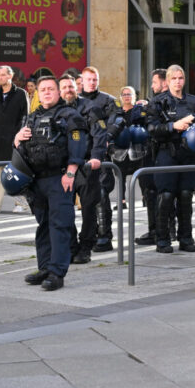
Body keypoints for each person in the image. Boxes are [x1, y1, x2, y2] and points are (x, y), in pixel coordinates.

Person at [14, 76, 88, 291]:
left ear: (58, 92)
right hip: (37, 180)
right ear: (37, 93)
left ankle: (57, 273)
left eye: (50, 89)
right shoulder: (31, 118)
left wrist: (71, 172)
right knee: (43, 226)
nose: (46, 92)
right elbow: (20, 148)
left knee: (60, 226)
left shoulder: (70, 116)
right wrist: (17, 138)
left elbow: (78, 146)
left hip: (60, 178)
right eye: (42, 89)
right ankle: (44, 267)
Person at [146, 64, 195, 253]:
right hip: (167, 153)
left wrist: (193, 119)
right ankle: (163, 239)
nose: (177, 82)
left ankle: (186, 238)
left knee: (185, 195)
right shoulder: (158, 102)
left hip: (189, 155)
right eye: (173, 78)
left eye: (180, 78)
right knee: (166, 196)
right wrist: (173, 126)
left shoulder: (194, 101)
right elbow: (151, 129)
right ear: (167, 81)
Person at [59, 74, 110, 264]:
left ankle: (86, 247)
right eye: (64, 87)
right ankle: (72, 246)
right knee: (65, 210)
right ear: (59, 90)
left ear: (77, 87)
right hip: (64, 168)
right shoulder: (56, 110)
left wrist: (96, 157)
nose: (68, 90)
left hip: (87, 166)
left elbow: (100, 135)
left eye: (71, 87)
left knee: (88, 209)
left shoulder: (90, 108)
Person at [78, 66, 118, 253]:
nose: (92, 82)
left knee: (101, 194)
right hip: (81, 156)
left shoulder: (108, 101)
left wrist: (107, 138)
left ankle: (104, 236)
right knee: (87, 199)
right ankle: (88, 235)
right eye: (89, 79)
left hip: (101, 155)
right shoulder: (75, 102)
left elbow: (116, 121)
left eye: (95, 79)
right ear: (82, 81)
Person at [0, 66, 30, 215]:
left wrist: (18, 134)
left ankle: (21, 203)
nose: (0, 78)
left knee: (17, 174)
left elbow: (25, 116)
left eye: (3, 75)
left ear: (11, 76)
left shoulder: (21, 94)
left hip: (15, 142)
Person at [136, 68, 168, 246]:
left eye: (154, 82)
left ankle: (156, 231)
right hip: (160, 153)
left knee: (152, 191)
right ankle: (166, 231)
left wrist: (143, 108)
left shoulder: (155, 103)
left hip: (154, 152)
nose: (152, 86)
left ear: (164, 83)